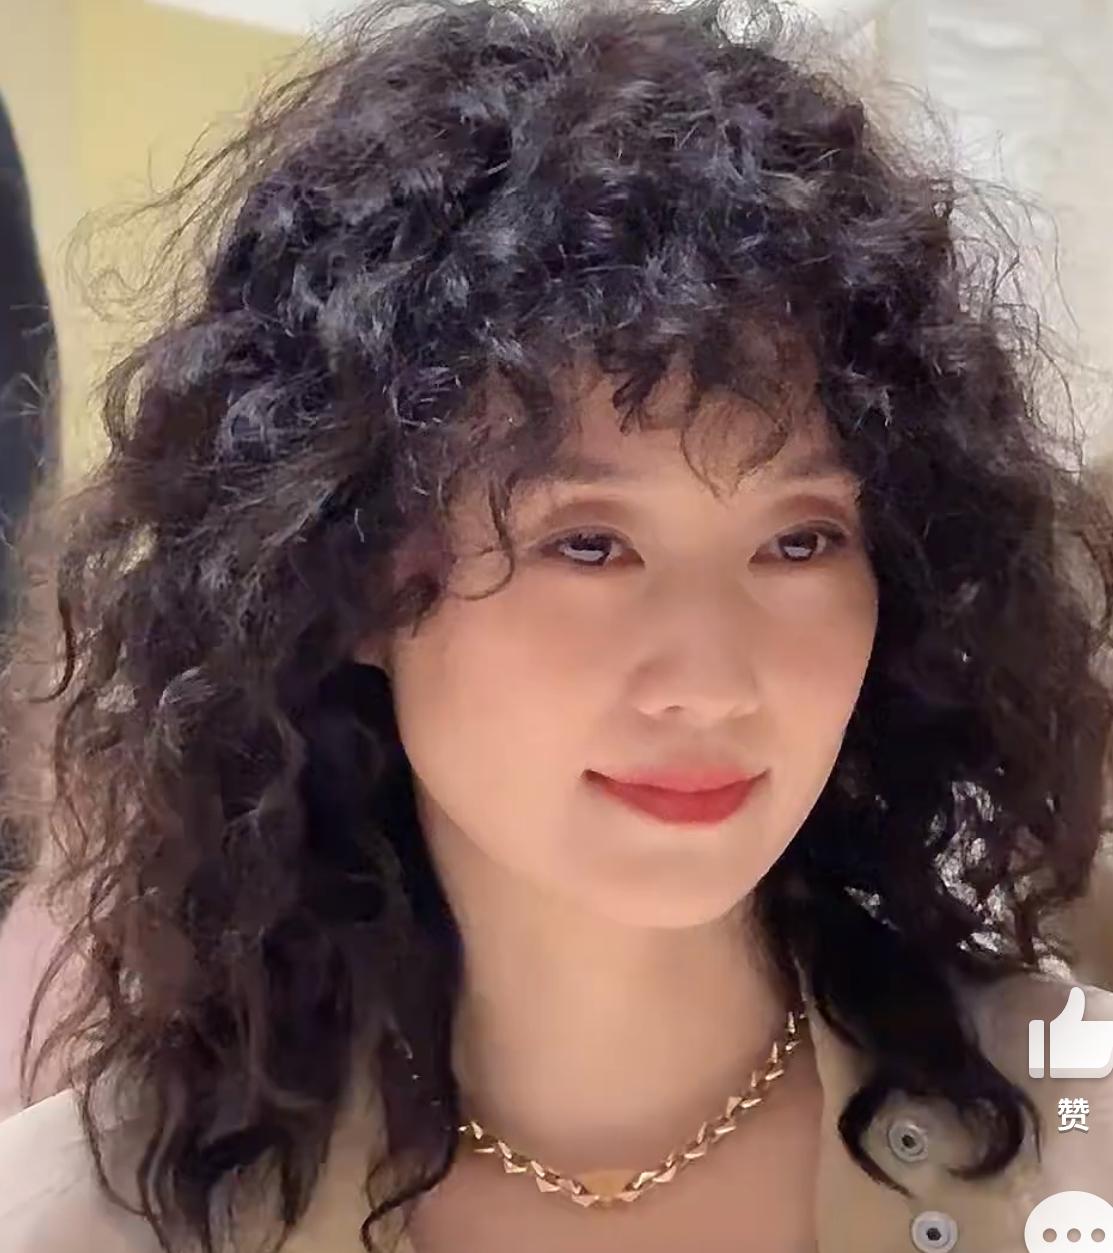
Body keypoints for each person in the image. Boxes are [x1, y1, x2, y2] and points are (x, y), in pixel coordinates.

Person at [1, 0, 1113, 1249]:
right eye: (588, 544)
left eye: (800, 540)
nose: (712, 682)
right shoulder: (80, 1218)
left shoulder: (1085, 1129)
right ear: (349, 574)